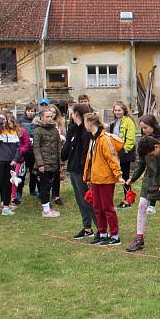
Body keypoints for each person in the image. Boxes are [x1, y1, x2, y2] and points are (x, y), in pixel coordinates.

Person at [125, 115, 160, 252]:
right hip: (149, 178)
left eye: (146, 127)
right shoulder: (143, 142)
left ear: (153, 125)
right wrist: (132, 178)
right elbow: (141, 164)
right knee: (142, 205)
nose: (144, 130)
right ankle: (139, 238)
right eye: (142, 128)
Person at [83, 112, 124, 245]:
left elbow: (112, 158)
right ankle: (102, 233)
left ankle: (115, 235)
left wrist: (118, 175)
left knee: (107, 207)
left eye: (85, 123)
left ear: (89, 123)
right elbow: (89, 160)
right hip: (95, 179)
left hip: (105, 179)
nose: (84, 125)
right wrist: (87, 176)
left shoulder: (104, 139)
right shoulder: (93, 139)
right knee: (97, 207)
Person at [61, 103, 98, 240]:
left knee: (88, 199)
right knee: (80, 199)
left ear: (77, 114)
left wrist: (87, 172)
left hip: (83, 170)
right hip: (73, 168)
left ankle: (100, 228)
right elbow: (66, 150)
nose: (71, 115)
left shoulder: (86, 130)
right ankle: (87, 227)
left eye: (72, 112)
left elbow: (86, 152)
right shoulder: (72, 128)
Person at [32, 105, 62, 218]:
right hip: (44, 163)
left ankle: (48, 206)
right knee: (44, 186)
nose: (50, 118)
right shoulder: (38, 130)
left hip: (54, 163)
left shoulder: (54, 130)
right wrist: (40, 164)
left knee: (50, 185)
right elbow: (36, 148)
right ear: (42, 117)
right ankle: (45, 209)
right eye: (47, 116)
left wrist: (60, 162)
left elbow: (59, 146)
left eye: (51, 116)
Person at [110, 101, 137, 208]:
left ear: (124, 110)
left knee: (125, 176)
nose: (117, 112)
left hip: (124, 152)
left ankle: (128, 199)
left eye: (119, 110)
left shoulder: (128, 121)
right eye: (115, 110)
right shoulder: (115, 122)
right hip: (115, 152)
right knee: (116, 175)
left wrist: (125, 150)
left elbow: (130, 138)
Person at [18, 103, 38, 198]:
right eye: (29, 111)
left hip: (34, 150)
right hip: (24, 151)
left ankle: (32, 190)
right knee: (22, 172)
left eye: (32, 111)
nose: (30, 113)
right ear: (25, 111)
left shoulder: (37, 120)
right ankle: (19, 191)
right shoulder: (21, 121)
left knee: (34, 172)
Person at [11, 115, 31, 206]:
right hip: (7, 158)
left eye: (11, 122)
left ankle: (14, 197)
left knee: (15, 178)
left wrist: (19, 151)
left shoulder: (21, 131)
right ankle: (7, 197)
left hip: (18, 159)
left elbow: (27, 144)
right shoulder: (4, 132)